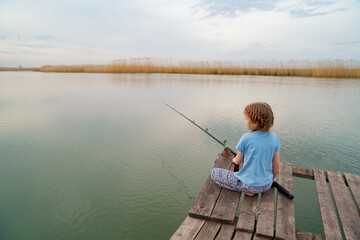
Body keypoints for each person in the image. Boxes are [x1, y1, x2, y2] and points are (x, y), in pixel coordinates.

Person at [211, 102, 280, 196]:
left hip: (249, 185)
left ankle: (247, 191)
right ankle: (255, 189)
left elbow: (238, 160)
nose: (245, 120)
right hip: (267, 185)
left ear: (255, 122)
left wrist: (234, 159)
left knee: (214, 173)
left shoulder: (246, 138)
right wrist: (272, 179)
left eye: (246, 118)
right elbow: (276, 164)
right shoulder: (274, 137)